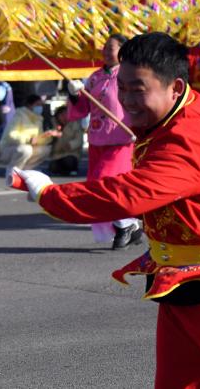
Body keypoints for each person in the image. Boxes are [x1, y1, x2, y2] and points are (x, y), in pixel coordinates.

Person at [12, 32, 200, 388]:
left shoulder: (188, 138)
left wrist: (49, 194)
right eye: (121, 88)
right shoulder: (171, 114)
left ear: (175, 87)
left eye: (137, 90)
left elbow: (127, 196)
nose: (125, 100)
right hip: (182, 282)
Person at [65, 34, 142, 249]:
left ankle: (125, 223)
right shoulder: (95, 77)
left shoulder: (130, 75)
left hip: (122, 136)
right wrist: (74, 94)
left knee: (105, 181)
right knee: (95, 186)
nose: (107, 51)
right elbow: (82, 108)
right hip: (98, 137)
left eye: (112, 48)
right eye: (105, 48)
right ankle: (127, 224)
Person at [0, 94, 58, 175]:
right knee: (26, 150)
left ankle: (25, 171)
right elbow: (11, 135)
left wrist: (47, 136)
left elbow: (37, 140)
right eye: (37, 104)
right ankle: (12, 173)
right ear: (29, 105)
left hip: (26, 147)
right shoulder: (19, 115)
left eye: (41, 105)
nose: (40, 107)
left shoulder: (38, 119)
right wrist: (28, 139)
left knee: (45, 150)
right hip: (8, 149)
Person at [44, 105, 83, 176]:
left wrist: (70, 145)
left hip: (71, 153)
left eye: (66, 114)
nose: (64, 117)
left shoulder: (75, 124)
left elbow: (79, 140)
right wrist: (52, 135)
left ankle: (71, 169)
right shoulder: (52, 124)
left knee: (69, 162)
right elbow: (47, 139)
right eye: (62, 115)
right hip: (56, 154)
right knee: (54, 167)